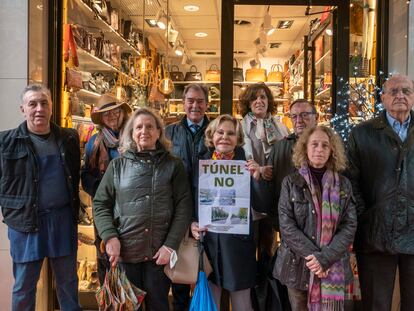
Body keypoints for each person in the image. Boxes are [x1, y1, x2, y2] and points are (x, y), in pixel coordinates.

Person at [93, 107, 193, 310]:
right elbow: (100, 203)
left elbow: (183, 207)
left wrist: (170, 245)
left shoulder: (174, 165)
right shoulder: (117, 166)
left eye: (149, 126)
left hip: (159, 255)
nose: (144, 131)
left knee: (159, 306)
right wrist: (109, 236)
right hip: (126, 254)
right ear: (132, 133)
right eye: (138, 127)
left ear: (158, 132)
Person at [0, 84, 81, 311]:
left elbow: (75, 176)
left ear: (51, 107)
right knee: (24, 286)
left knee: (68, 284)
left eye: (44, 103)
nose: (39, 109)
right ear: (22, 109)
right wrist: (11, 209)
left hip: (62, 220)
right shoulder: (5, 142)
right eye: (32, 104)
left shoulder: (68, 138)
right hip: (26, 223)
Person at [346, 74, 414, 310]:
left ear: (413, 97)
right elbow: (350, 182)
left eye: (406, 91)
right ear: (383, 97)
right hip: (376, 233)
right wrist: (366, 217)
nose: (400, 96)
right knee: (376, 303)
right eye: (394, 91)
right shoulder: (361, 134)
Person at [274, 126, 357, 311]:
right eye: (314, 144)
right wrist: (316, 259)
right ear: (305, 148)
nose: (319, 149)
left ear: (332, 151)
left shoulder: (344, 184)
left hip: (333, 264)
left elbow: (349, 226)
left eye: (325, 145)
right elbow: (286, 225)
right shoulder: (290, 183)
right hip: (298, 267)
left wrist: (325, 258)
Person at [191, 114, 259, 311]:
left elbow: (262, 204)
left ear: (238, 140)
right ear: (212, 136)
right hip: (208, 245)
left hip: (238, 248)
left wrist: (257, 179)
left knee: (242, 305)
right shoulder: (199, 165)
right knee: (209, 304)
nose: (225, 137)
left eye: (231, 133)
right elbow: (189, 201)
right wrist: (191, 222)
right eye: (220, 132)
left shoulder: (246, 165)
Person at [238, 83, 289, 310]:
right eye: (254, 99)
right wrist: (257, 169)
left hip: (275, 195)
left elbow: (286, 154)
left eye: (263, 98)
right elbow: (243, 155)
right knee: (250, 247)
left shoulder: (279, 126)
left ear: (269, 101)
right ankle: (251, 298)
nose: (259, 102)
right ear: (248, 103)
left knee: (269, 248)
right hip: (250, 194)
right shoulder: (242, 126)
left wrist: (272, 169)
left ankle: (268, 297)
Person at [165, 83, 210, 310]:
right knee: (181, 271)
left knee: (207, 270)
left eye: (200, 101)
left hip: (209, 211)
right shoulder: (169, 132)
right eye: (190, 100)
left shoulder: (216, 131)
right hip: (178, 211)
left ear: (206, 104)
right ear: (183, 103)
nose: (195, 105)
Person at [81, 92, 131, 284]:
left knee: (130, 256)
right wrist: (103, 193)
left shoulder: (134, 137)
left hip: (131, 208)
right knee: (105, 255)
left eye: (115, 112)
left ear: (122, 112)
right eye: (107, 114)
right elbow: (86, 175)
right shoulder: (94, 142)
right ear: (101, 118)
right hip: (106, 210)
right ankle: (109, 297)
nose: (112, 116)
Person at [270, 99, 318, 229]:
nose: (299, 120)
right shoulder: (279, 148)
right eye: (294, 116)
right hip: (288, 222)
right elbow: (272, 187)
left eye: (304, 115)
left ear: (316, 117)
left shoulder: (328, 145)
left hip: (321, 222)